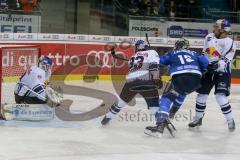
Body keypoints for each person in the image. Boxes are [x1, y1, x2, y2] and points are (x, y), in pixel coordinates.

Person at [144, 38, 209, 137]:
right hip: (195, 81)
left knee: (166, 98)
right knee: (182, 92)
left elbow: (159, 62)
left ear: (177, 45)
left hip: (180, 78)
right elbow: (206, 64)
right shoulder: (195, 53)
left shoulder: (172, 53)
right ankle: (171, 114)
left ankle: (160, 126)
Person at [188, 19, 236, 132]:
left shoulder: (230, 42)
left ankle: (230, 121)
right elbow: (205, 52)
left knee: (220, 97)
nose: (213, 29)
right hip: (208, 71)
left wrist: (215, 65)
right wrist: (203, 64)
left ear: (222, 30)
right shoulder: (209, 37)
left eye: (216, 27)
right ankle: (198, 119)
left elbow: (227, 59)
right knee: (201, 95)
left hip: (222, 72)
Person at [101, 39, 162, 125]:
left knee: (120, 103)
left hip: (130, 82)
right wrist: (157, 79)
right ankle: (161, 124)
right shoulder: (152, 52)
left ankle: (106, 118)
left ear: (137, 47)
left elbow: (137, 66)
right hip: (145, 81)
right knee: (154, 107)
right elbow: (153, 67)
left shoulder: (133, 57)